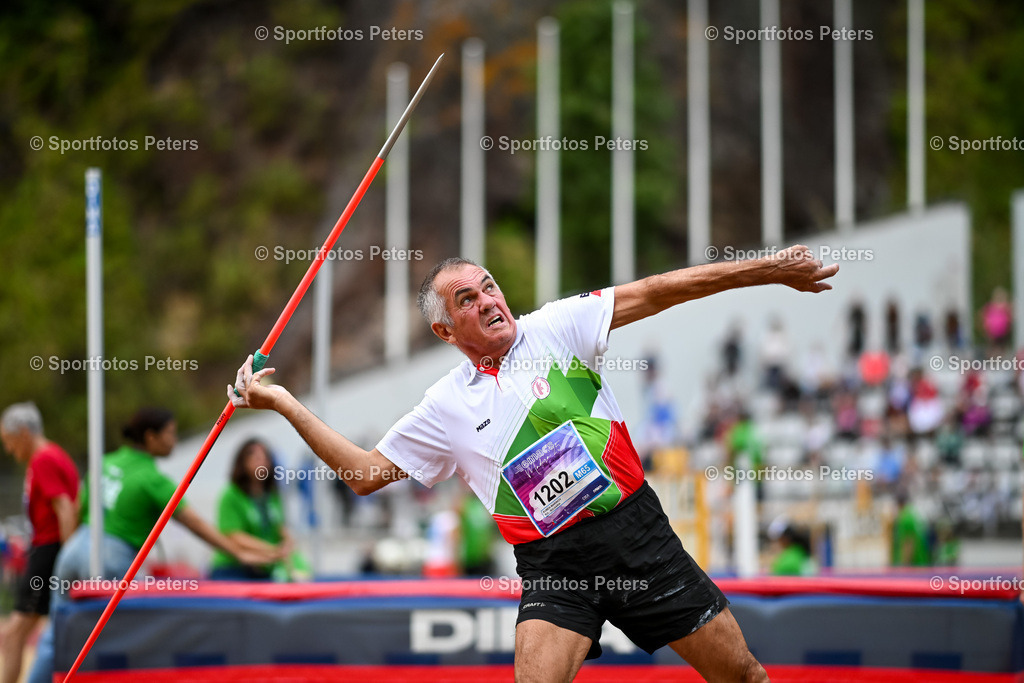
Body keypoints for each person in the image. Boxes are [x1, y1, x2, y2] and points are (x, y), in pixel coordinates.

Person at [229, 245, 838, 682]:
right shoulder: (444, 404)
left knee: (742, 676)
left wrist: (769, 269)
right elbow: (363, 475)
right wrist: (283, 402)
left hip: (638, 538)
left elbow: (658, 289)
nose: (489, 300)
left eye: (489, 285)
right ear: (446, 331)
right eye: (467, 300)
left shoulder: (558, 326)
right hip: (554, 566)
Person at [27, 408, 278, 683]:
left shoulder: (106, 462)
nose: (174, 440)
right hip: (113, 558)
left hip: (74, 551)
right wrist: (238, 553)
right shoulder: (152, 479)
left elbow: (77, 508)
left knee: (55, 637)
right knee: (129, 641)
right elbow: (195, 523)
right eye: (170, 434)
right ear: (151, 437)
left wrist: (69, 547)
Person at [0, 402, 79, 683]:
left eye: (9, 441)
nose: (10, 450)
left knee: (14, 634)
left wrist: (68, 557)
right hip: (46, 549)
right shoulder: (51, 456)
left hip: (48, 551)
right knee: (33, 631)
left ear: (23, 432)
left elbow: (65, 507)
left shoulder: (44, 459)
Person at [210, 438, 307, 581]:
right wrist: (272, 550)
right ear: (242, 462)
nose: (261, 462)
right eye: (255, 457)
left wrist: (288, 543)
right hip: (233, 568)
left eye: (265, 458)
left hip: (264, 566)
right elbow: (233, 535)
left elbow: (279, 527)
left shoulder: (272, 495)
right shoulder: (230, 495)